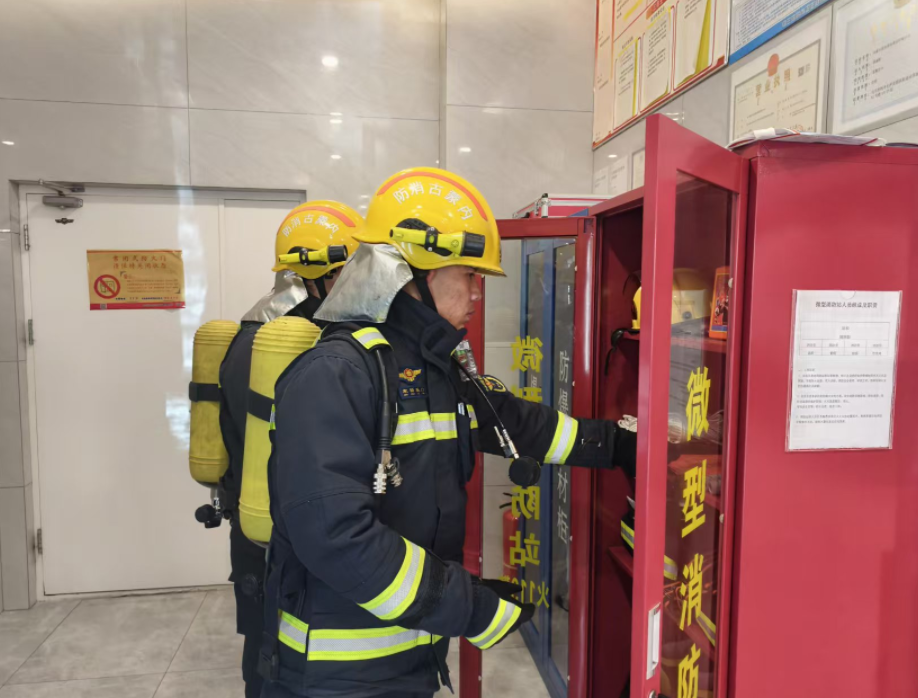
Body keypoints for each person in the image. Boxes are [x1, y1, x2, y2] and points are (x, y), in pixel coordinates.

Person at [259, 168, 637, 698]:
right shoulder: (333, 374)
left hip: (407, 655)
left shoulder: (430, 368)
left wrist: (616, 445)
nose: (478, 292)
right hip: (336, 673)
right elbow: (338, 538)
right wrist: (472, 605)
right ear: (407, 272)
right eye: (469, 274)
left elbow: (511, 420)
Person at [217, 201, 362, 698]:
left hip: (252, 527)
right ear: (320, 271)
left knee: (261, 648)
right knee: (277, 664)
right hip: (288, 540)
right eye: (347, 269)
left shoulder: (250, 330)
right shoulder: (302, 341)